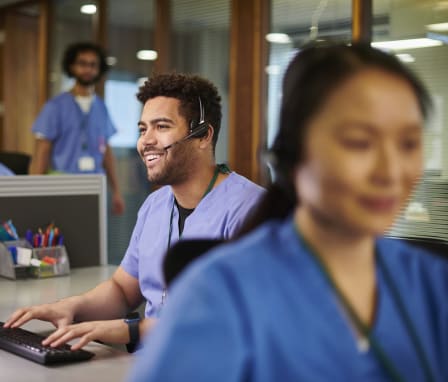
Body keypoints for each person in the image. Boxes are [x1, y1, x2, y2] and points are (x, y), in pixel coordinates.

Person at [126, 43, 448, 382]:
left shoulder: (431, 283)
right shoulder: (219, 294)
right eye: (359, 142)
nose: (390, 170)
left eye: (408, 144)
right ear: (296, 152)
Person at [4, 73, 265, 352]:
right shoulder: (155, 206)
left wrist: (131, 330)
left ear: (203, 136)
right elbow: (122, 289)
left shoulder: (251, 210)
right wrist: (71, 306)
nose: (146, 141)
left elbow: (237, 319)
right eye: (142, 129)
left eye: (161, 126)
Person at [29, 42, 125, 215]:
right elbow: (42, 152)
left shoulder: (102, 108)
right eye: (82, 63)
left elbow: (107, 152)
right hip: (62, 185)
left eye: (93, 65)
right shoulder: (55, 106)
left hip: (95, 185)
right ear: (72, 66)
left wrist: (117, 191)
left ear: (99, 69)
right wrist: (32, 193)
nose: (88, 69)